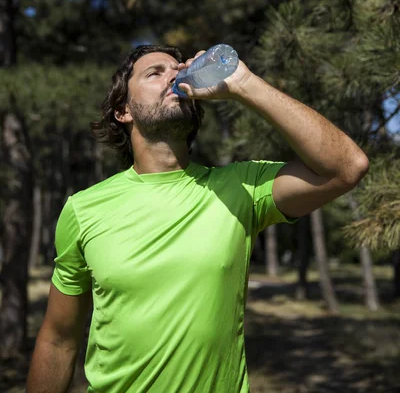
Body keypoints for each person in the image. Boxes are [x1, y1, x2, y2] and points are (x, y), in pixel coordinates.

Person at [26, 44, 369, 393]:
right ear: (123, 111)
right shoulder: (84, 209)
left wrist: (245, 83)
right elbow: (58, 341)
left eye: (177, 68)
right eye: (154, 72)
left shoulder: (241, 188)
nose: (173, 74)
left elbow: (347, 167)